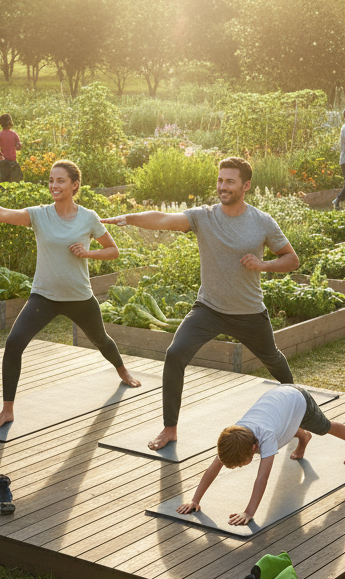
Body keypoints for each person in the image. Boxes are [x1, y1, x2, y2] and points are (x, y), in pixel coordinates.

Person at [102, 157, 299, 452]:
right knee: (175, 354)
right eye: (220, 180)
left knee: (273, 360)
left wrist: (263, 264)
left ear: (246, 186)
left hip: (248, 312)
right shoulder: (203, 217)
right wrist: (128, 218)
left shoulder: (262, 222)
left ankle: (299, 408)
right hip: (209, 308)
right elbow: (163, 219)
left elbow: (292, 259)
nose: (222, 186)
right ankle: (170, 429)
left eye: (230, 181)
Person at [0, 160, 139, 430]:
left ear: (74, 185)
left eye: (60, 180)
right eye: (50, 180)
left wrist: (88, 253)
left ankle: (122, 370)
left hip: (79, 297)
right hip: (44, 297)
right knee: (14, 343)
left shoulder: (88, 217)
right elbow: (5, 213)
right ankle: (7, 410)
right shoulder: (40, 215)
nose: (53, 185)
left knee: (101, 340)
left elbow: (113, 250)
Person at [175, 384, 345, 526]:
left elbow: (262, 478)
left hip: (298, 399)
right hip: (279, 401)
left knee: (324, 427)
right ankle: (303, 436)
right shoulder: (234, 437)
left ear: (254, 447)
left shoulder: (267, 437)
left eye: (241, 463)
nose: (239, 466)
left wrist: (249, 512)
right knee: (283, 427)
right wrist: (195, 500)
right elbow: (213, 468)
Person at [0, 113, 23, 183]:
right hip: (12, 161)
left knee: (4, 181)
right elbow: (18, 148)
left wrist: (0, 154)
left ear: (1, 123)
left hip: (3, 161)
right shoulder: (14, 134)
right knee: (15, 181)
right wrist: (19, 146)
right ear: (10, 122)